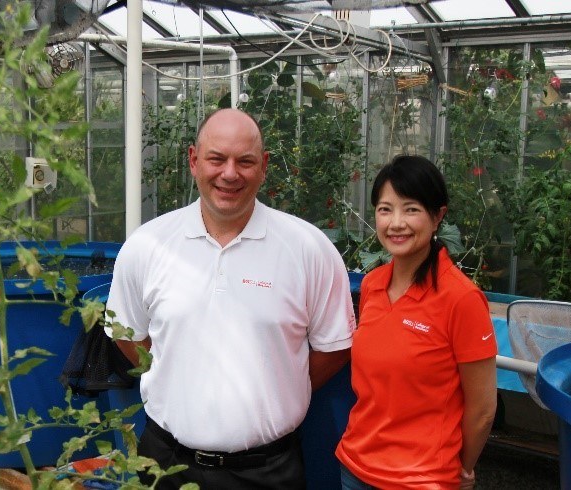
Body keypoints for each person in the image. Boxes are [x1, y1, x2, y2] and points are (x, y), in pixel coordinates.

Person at [106, 108, 356, 489]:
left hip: (268, 471)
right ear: (193, 160)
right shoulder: (148, 245)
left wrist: (277, 384)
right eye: (216, 158)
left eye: (245, 161)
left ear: (264, 166)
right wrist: (176, 374)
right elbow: (126, 333)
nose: (229, 173)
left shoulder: (308, 249)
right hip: (165, 464)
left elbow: (334, 347)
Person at [335, 155, 497, 490]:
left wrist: (463, 470)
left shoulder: (461, 298)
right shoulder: (372, 285)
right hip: (356, 468)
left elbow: (482, 409)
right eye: (385, 209)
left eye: (411, 209)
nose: (396, 223)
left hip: (421, 479)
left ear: (438, 216)